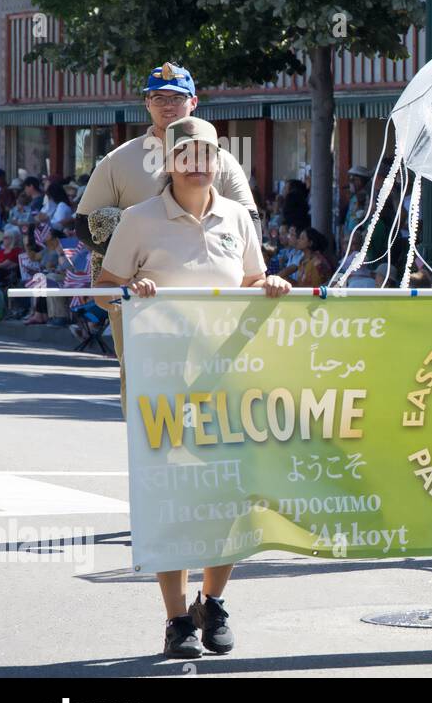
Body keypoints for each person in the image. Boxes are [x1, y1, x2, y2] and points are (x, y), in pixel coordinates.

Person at [94, 116, 291, 658]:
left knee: (228, 493)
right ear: (169, 162)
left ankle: (214, 601)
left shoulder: (237, 217)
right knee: (170, 498)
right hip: (164, 382)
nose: (199, 163)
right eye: (187, 154)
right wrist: (130, 291)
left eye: (208, 153)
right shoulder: (138, 219)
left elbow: (251, 280)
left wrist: (268, 283)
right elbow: (103, 290)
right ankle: (177, 619)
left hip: (228, 378)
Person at [76, 62, 260, 395]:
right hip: (140, 298)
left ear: (194, 103)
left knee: (218, 395)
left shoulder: (225, 160)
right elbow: (84, 225)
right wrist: (134, 263)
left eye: (176, 98)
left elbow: (250, 224)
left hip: (216, 308)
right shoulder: (119, 159)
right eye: (158, 98)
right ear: (147, 104)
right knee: (147, 390)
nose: (167, 105)